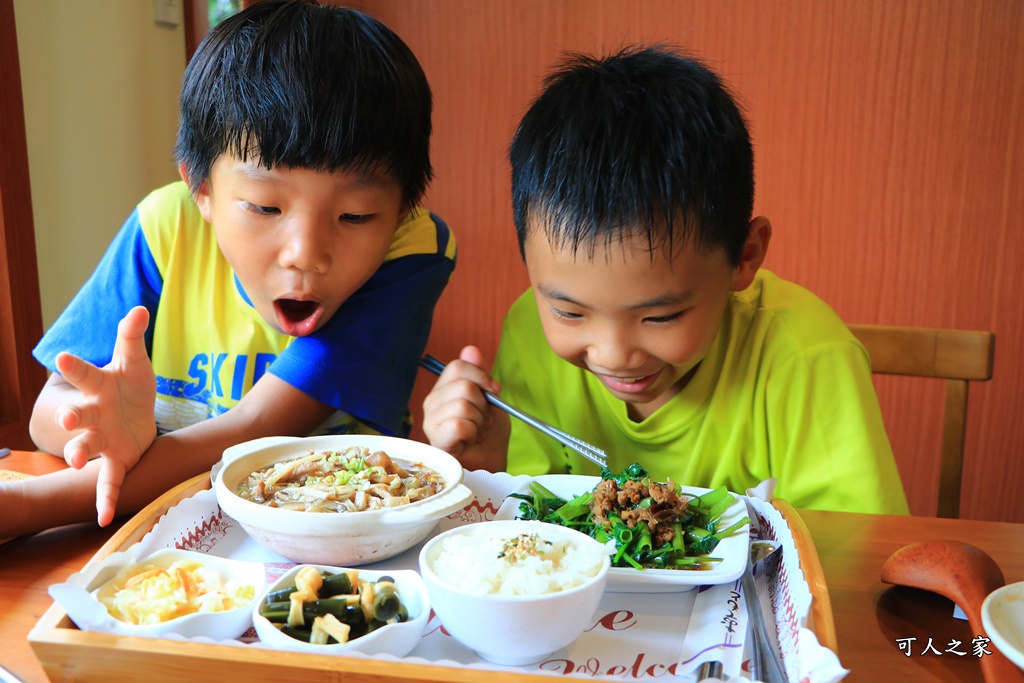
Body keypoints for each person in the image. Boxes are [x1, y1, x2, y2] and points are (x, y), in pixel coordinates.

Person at [3, 0, 455, 537]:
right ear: (202, 189)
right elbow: (48, 413)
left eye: (355, 215)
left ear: (401, 210)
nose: (305, 253)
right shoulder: (163, 225)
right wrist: (96, 431)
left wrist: (32, 506)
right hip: (163, 536)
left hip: (338, 542)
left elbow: (257, 430)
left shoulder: (414, 248)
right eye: (265, 207)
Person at [422, 45, 908, 515]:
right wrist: (485, 474)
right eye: (569, 312)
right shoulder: (529, 327)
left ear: (745, 255)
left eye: (661, 315)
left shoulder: (805, 358)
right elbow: (537, 525)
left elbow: (854, 555)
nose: (613, 354)